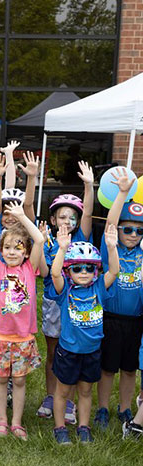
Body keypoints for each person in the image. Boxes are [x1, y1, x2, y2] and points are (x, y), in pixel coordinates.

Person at [0, 199, 44, 441]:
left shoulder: (30, 268)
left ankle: (16, 423)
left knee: (18, 381)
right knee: (1, 379)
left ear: (25, 252)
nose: (12, 252)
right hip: (1, 336)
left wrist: (22, 217)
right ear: (1, 251)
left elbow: (39, 239)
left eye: (18, 248)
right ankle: (2, 420)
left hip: (24, 337)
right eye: (7, 248)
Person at [48, 225, 119, 444]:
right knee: (62, 390)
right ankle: (60, 428)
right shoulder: (65, 290)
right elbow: (53, 273)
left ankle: (83, 426)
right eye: (77, 268)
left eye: (89, 268)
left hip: (92, 351)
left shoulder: (98, 287)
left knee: (86, 391)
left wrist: (111, 247)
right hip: (68, 351)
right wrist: (61, 249)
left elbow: (114, 271)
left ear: (95, 270)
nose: (84, 272)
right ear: (69, 270)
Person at [37, 161, 95, 422]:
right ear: (52, 219)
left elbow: (89, 214)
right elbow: (47, 273)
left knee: (73, 352)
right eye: (62, 216)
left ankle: (69, 401)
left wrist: (89, 186)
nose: (67, 220)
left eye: (72, 216)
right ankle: (52, 396)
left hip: (79, 305)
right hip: (53, 301)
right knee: (53, 352)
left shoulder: (82, 238)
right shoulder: (48, 240)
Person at [95, 168, 142, 429]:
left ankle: (125, 408)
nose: (133, 234)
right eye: (128, 229)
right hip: (110, 319)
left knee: (129, 369)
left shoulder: (142, 253)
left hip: (135, 320)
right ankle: (102, 408)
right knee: (108, 368)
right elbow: (111, 225)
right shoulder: (110, 248)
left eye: (139, 231)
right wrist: (123, 192)